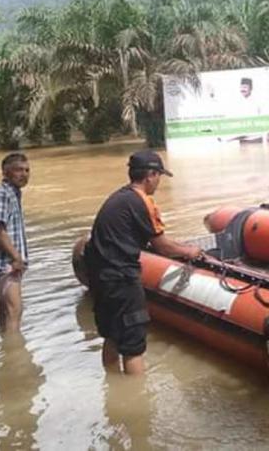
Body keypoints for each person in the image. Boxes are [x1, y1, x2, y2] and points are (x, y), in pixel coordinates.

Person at [85, 150, 203, 375]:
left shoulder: (118, 197)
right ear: (150, 175)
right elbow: (163, 247)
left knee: (111, 337)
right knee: (133, 347)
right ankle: (137, 404)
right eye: (158, 175)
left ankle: (112, 390)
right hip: (122, 280)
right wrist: (189, 251)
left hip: (102, 279)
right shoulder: (142, 202)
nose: (158, 182)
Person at [0, 152, 31, 333]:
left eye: (27, 170)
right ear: (5, 172)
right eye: (18, 170)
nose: (24, 174)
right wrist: (16, 258)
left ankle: (5, 351)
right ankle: (15, 356)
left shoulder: (12, 194)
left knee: (5, 313)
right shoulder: (2, 194)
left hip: (6, 264)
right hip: (5, 265)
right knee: (14, 311)